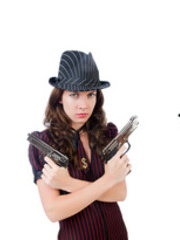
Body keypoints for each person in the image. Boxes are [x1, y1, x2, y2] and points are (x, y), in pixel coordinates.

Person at [28, 50, 132, 239]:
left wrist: (68, 183)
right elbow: (54, 211)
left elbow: (120, 193)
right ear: (60, 97)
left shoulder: (107, 134)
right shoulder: (43, 144)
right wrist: (108, 180)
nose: (84, 105)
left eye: (90, 94)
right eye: (74, 95)